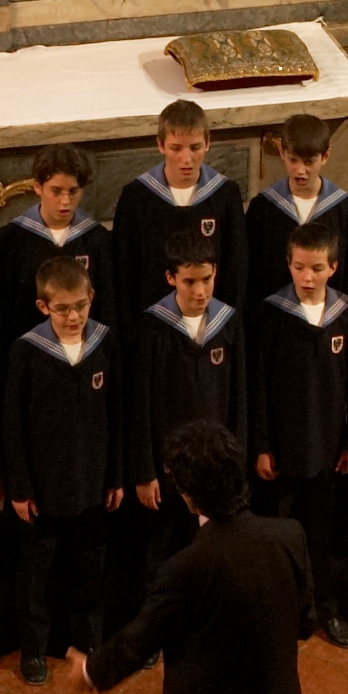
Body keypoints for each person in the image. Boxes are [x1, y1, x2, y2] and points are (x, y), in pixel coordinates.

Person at [71, 422, 314, 694]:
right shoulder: (289, 536)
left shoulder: (184, 568)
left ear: (189, 495)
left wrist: (92, 672)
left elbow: (140, 639)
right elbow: (304, 621)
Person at [3, 256, 121, 685]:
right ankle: (34, 648)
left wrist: (116, 476)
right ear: (43, 307)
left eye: (79, 306)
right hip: (43, 485)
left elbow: (117, 414)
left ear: (92, 299)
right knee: (37, 571)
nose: (73, 317)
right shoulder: (27, 351)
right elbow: (12, 425)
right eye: (61, 309)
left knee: (90, 566)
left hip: (91, 481)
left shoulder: (105, 344)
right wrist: (19, 486)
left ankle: (89, 641)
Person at [248, 220, 348, 649]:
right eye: (299, 267)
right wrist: (261, 446)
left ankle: (324, 608)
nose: (307, 277)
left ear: (333, 267)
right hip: (281, 449)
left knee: (322, 534)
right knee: (277, 536)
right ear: (288, 265)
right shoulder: (271, 314)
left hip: (328, 447)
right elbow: (258, 385)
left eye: (316, 268)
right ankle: (278, 614)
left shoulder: (345, 314)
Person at [129, 230, 246, 627]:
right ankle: (156, 625)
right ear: (170, 279)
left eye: (207, 279)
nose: (200, 291)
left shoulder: (228, 323)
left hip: (214, 466)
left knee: (211, 547)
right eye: (190, 281)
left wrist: (237, 460)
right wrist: (145, 471)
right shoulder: (152, 328)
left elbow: (239, 396)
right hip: (166, 468)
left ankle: (206, 621)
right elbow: (140, 406)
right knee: (161, 551)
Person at [113, 100, 247, 314]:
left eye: (195, 147)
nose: (186, 159)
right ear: (160, 145)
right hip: (153, 323)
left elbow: (235, 270)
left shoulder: (225, 195)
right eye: (176, 148)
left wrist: (229, 324)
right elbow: (124, 271)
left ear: (208, 143)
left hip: (211, 322)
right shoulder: (136, 197)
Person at [0, 143, 117, 336]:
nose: (65, 201)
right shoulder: (13, 239)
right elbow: (3, 309)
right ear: (38, 187)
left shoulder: (95, 238)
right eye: (56, 191)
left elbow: (107, 306)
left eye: (73, 191)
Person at [248, 114, 348, 305]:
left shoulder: (345, 210)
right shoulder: (263, 208)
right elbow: (253, 274)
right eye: (293, 160)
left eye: (309, 162)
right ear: (282, 152)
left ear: (325, 156)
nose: (300, 170)